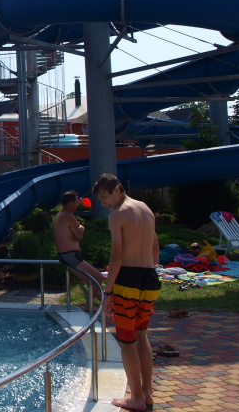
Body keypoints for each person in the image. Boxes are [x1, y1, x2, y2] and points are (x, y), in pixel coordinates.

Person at [93, 173, 160, 412]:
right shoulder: (146, 209)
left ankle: (136, 398)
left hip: (128, 282)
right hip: (150, 278)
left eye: (104, 197)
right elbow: (155, 248)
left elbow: (117, 257)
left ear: (117, 189)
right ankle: (147, 394)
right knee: (141, 335)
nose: (103, 203)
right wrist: (147, 271)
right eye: (100, 199)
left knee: (127, 340)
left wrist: (108, 291)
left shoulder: (117, 215)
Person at [54, 190, 105, 311]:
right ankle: (89, 305)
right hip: (71, 256)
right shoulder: (68, 215)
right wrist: (82, 229)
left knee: (91, 282)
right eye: (76, 202)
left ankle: (107, 302)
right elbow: (79, 237)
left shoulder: (60, 214)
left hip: (67, 255)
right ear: (70, 203)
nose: (78, 204)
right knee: (98, 278)